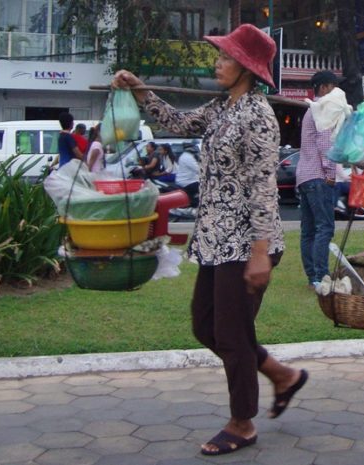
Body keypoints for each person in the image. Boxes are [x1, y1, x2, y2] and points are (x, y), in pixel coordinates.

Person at [112, 23, 307, 457]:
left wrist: (260, 253)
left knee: (232, 333)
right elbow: (177, 121)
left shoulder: (257, 115)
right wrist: (140, 90)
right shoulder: (222, 107)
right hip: (217, 238)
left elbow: (262, 186)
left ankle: (242, 423)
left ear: (247, 67)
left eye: (225, 57)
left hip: (247, 242)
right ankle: (281, 375)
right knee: (206, 326)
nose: (217, 63)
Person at [295, 70, 340, 289]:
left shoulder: (309, 111)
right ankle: (322, 276)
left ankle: (312, 276)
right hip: (319, 176)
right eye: (333, 87)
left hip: (304, 175)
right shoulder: (324, 109)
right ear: (323, 87)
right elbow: (325, 144)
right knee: (325, 228)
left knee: (309, 230)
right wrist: (331, 172)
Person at [175, 143, 200, 208]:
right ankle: (194, 205)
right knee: (205, 188)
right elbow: (198, 169)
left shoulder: (185, 156)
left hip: (187, 180)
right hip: (187, 182)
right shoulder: (188, 157)